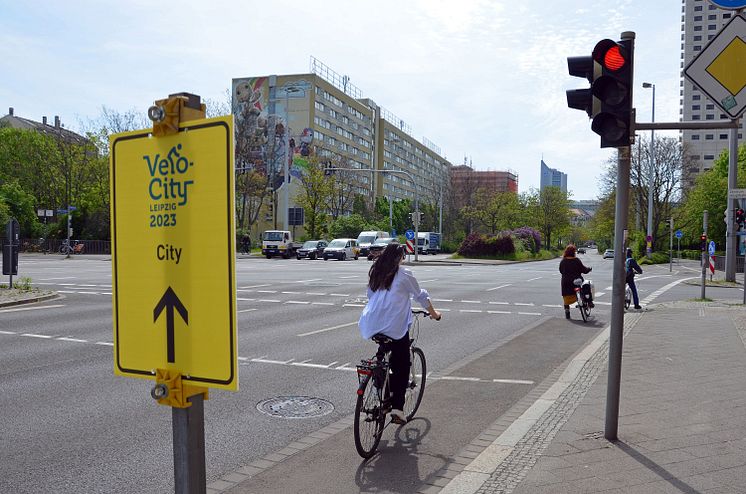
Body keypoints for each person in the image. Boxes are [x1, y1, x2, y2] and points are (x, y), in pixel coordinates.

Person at [358, 243, 441, 424]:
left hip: (371, 322)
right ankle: (397, 408)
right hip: (393, 326)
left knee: (385, 357)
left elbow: (371, 296)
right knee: (402, 364)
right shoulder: (404, 274)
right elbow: (421, 296)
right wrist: (435, 314)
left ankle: (381, 386)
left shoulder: (376, 272)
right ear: (400, 257)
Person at [559, 244, 592, 319]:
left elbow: (561, 271)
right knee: (586, 286)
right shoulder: (576, 260)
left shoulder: (563, 261)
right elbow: (583, 269)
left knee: (566, 297)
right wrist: (588, 269)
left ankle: (567, 311)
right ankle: (589, 302)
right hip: (576, 281)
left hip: (566, 282)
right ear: (573, 252)